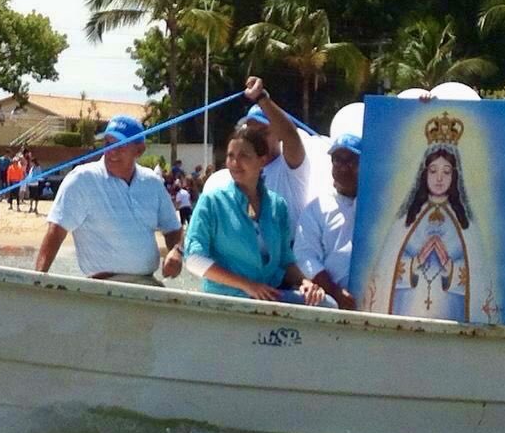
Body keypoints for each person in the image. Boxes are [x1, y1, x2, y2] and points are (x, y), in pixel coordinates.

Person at [183, 122, 332, 306]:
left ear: (262, 160)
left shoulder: (278, 207)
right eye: (231, 156)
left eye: (244, 156)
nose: (235, 163)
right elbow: (193, 259)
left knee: (326, 303)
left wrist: (306, 283)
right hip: (225, 300)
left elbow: (286, 260)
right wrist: (248, 286)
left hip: (268, 298)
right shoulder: (212, 201)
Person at [34, 116, 183, 285]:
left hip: (147, 284)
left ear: (139, 150)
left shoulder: (152, 182)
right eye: (108, 143)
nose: (112, 151)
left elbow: (173, 229)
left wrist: (177, 251)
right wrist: (37, 281)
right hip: (102, 288)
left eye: (120, 145)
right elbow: (56, 230)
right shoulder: (82, 179)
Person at [362, 111, 482, 321]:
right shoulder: (405, 219)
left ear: (455, 176)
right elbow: (386, 270)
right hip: (406, 309)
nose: (439, 178)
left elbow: (478, 277)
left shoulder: (466, 224)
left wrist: (450, 267)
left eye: (446, 172)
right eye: (433, 171)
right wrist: (415, 262)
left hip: (450, 313)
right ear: (423, 173)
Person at [203, 77, 312, 229]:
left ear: (278, 134)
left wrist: (261, 98)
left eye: (263, 132)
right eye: (251, 133)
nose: (255, 139)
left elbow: (290, 136)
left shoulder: (290, 168)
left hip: (284, 250)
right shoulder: (234, 174)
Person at [295, 133, 361, 310]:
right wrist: (335, 292)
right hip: (331, 304)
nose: (343, 167)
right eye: (337, 160)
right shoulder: (316, 208)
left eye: (352, 161)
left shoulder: (378, 206)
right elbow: (305, 256)